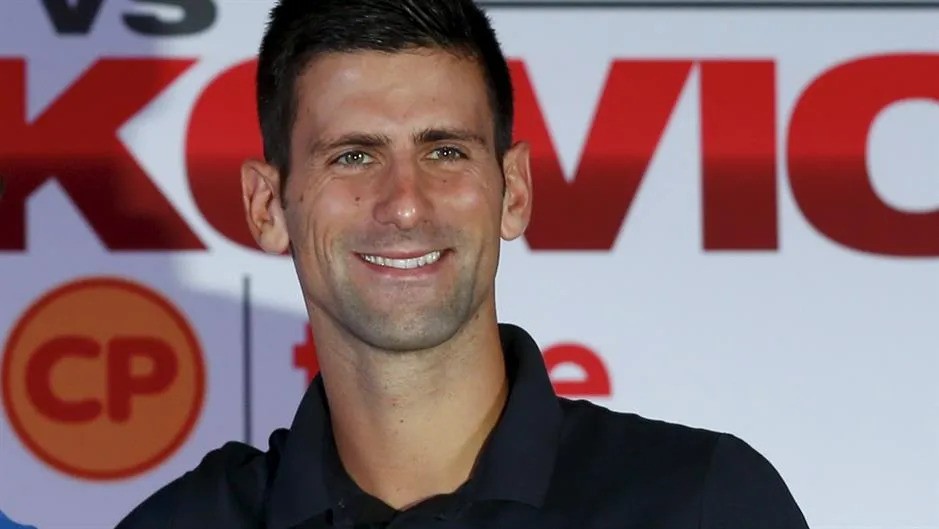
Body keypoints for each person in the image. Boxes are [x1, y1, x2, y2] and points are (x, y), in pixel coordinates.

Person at [116, 1, 810, 527]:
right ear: (268, 206)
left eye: (444, 151)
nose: (405, 204)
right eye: (353, 155)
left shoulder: (701, 502)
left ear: (515, 190)